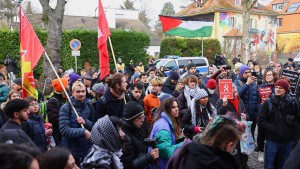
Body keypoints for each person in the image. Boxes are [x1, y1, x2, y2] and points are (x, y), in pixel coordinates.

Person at [258, 79, 300, 169]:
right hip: (272, 140)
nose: (277, 89)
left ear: (286, 89)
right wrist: (273, 128)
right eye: (276, 87)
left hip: (287, 141)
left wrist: (292, 131)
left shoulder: (292, 102)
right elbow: (261, 120)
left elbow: (297, 119)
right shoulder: (268, 102)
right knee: (269, 165)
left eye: (280, 88)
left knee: (283, 165)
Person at [59, 81, 94, 165]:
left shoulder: (89, 106)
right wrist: (83, 131)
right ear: (73, 92)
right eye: (78, 91)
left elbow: (94, 125)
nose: (81, 94)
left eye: (83, 91)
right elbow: (64, 130)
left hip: (87, 150)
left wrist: (86, 122)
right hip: (71, 151)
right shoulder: (66, 108)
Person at [215, 83, 248, 169]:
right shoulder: (221, 101)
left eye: (236, 92)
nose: (235, 94)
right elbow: (218, 116)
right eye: (233, 93)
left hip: (240, 132)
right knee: (234, 156)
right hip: (229, 134)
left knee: (243, 154)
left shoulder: (239, 100)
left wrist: (246, 116)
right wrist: (224, 105)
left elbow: (244, 111)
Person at [121, 102, 158, 169]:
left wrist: (146, 143)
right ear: (131, 119)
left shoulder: (137, 128)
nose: (142, 120)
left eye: (143, 117)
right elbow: (127, 166)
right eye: (139, 118)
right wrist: (149, 157)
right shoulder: (123, 136)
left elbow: (138, 149)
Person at [149, 97, 183, 169]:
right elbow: (165, 152)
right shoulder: (163, 127)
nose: (177, 109)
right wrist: (183, 145)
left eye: (177, 106)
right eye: (173, 107)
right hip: (162, 165)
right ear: (167, 109)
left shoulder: (166, 120)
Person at [256, 69, 278, 163]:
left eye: (269, 75)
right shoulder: (260, 87)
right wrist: (259, 110)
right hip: (263, 114)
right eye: (266, 75)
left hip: (274, 115)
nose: (268, 76)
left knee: (272, 133)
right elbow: (257, 100)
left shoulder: (277, 87)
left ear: (274, 76)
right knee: (261, 134)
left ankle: (272, 151)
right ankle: (260, 151)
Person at [233, 65, 260, 141]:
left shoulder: (254, 83)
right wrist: (247, 84)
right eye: (246, 72)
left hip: (253, 114)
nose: (248, 74)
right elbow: (237, 95)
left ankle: (250, 148)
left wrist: (258, 112)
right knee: (241, 134)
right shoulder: (236, 82)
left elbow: (257, 99)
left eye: (249, 72)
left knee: (251, 132)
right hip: (243, 114)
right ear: (241, 73)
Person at [47, 78, 68, 145]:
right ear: (62, 88)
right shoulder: (53, 101)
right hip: (58, 134)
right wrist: (67, 121)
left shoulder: (64, 98)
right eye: (67, 85)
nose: (69, 86)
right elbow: (54, 119)